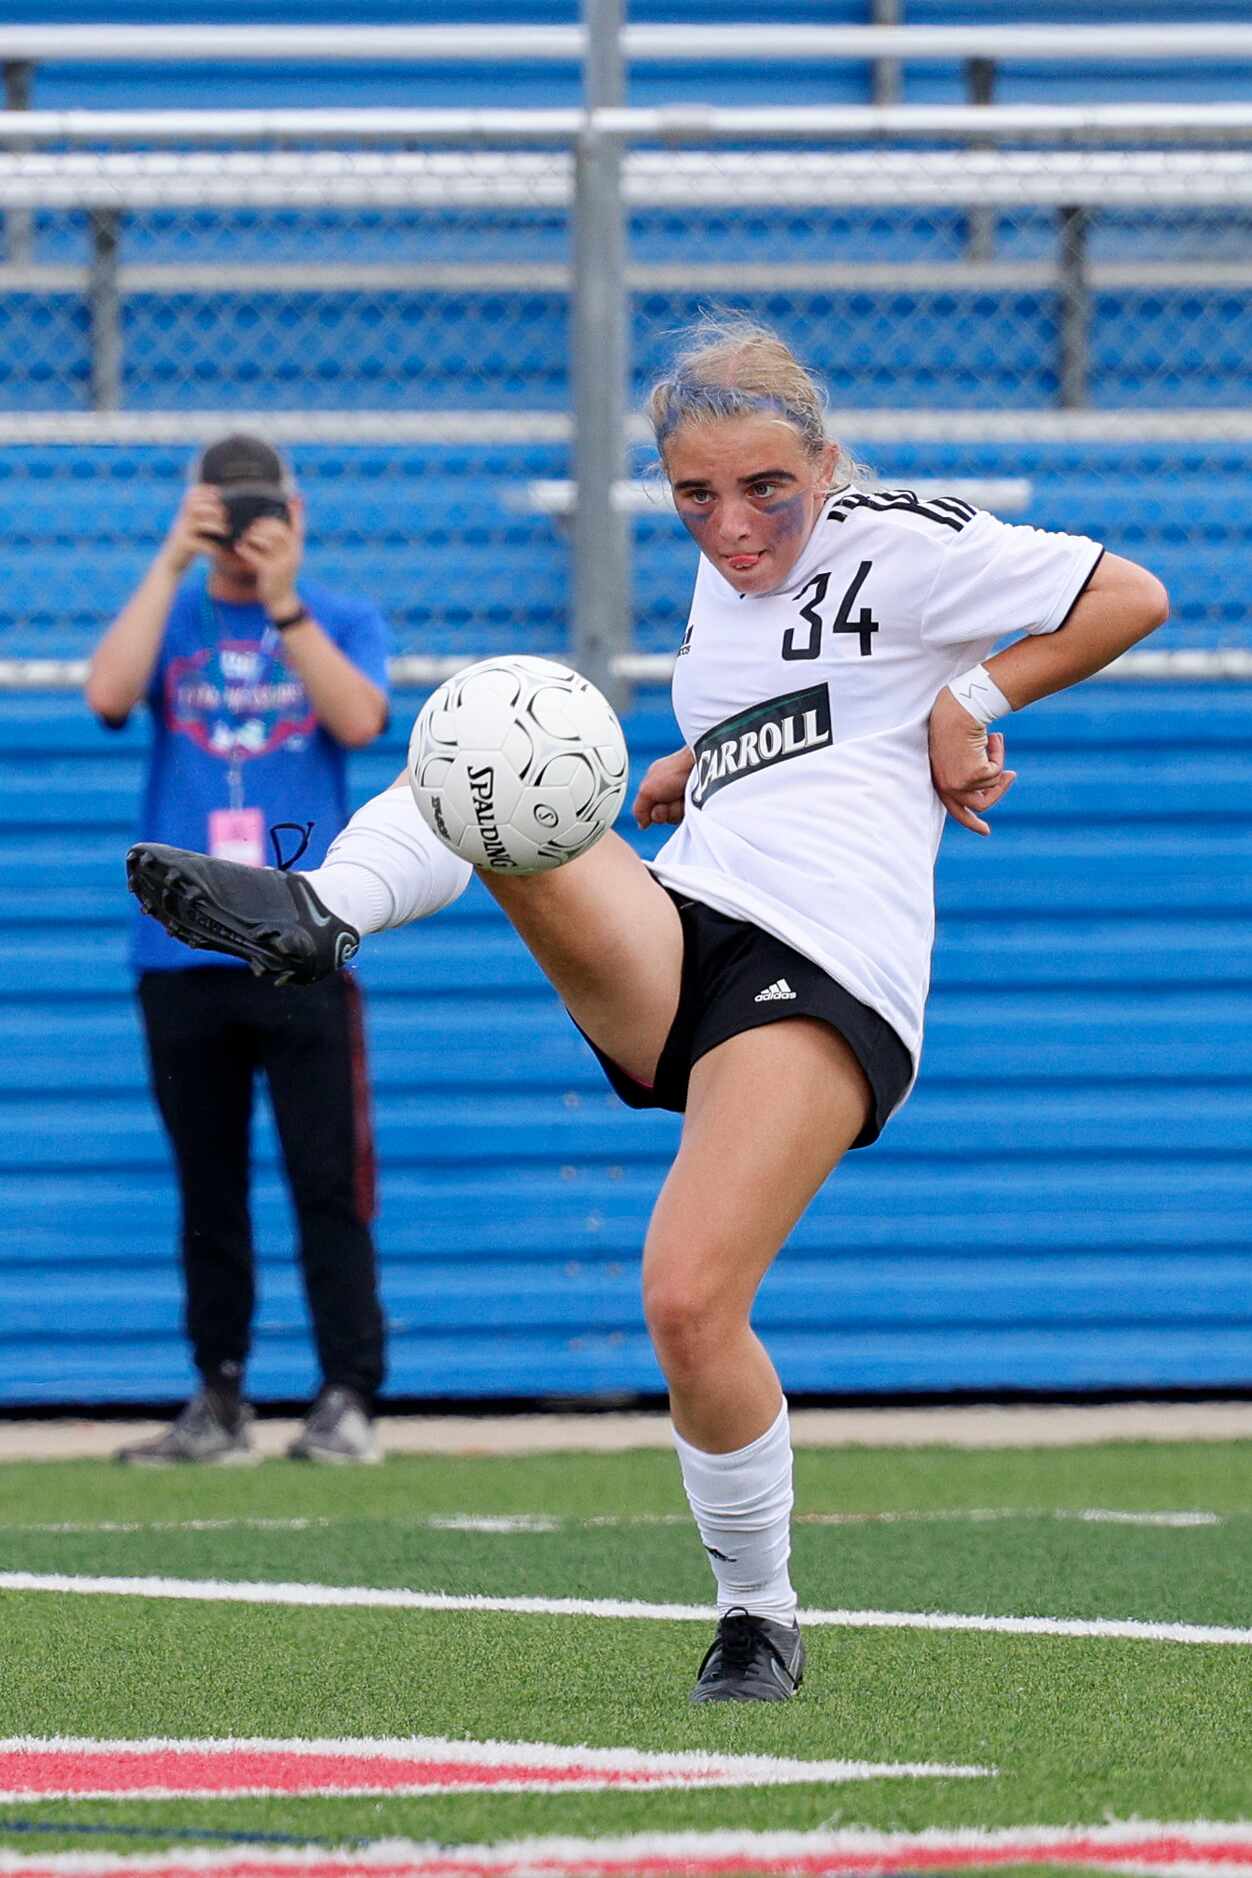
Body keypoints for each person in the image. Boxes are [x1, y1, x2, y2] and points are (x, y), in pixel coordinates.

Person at [125, 321, 1168, 1691]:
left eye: (765, 489)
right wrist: (687, 762)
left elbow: (1130, 593)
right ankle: (324, 910)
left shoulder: (905, 533)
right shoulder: (720, 586)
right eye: (695, 495)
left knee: (685, 1296)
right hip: (691, 916)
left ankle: (760, 1613)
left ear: (825, 461)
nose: (732, 526)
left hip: (827, 962)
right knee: (507, 726)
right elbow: (805, 710)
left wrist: (971, 695)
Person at [86, 432, 404, 1467]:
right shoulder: (171, 612)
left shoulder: (335, 616)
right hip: (178, 957)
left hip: (303, 942)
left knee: (327, 1180)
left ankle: (346, 1395)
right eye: (224, 508)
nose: (241, 526)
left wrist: (283, 599)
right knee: (207, 1186)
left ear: (295, 510)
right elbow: (106, 695)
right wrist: (171, 560)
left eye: (260, 507)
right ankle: (219, 1397)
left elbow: (359, 719)